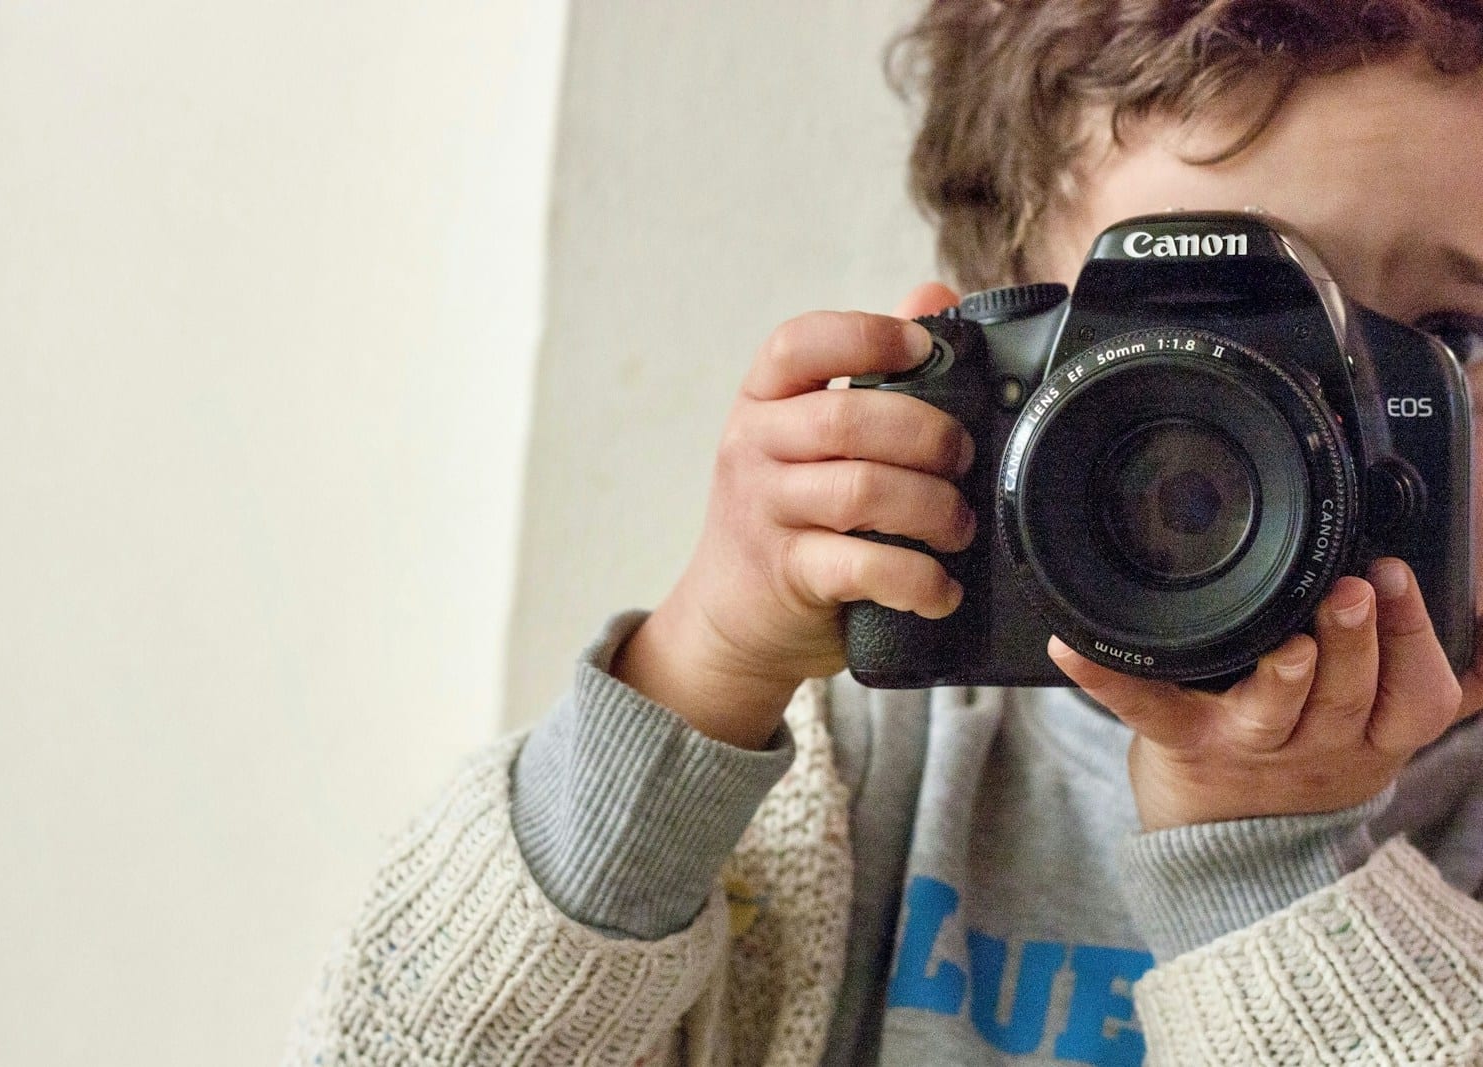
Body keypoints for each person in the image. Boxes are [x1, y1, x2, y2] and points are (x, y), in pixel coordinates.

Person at [282, 2, 1483, 1064]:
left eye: (1450, 334)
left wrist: (1265, 867)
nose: (1322, 416)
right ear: (994, 359)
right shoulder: (852, 765)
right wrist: (698, 670)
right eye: (1207, 339)